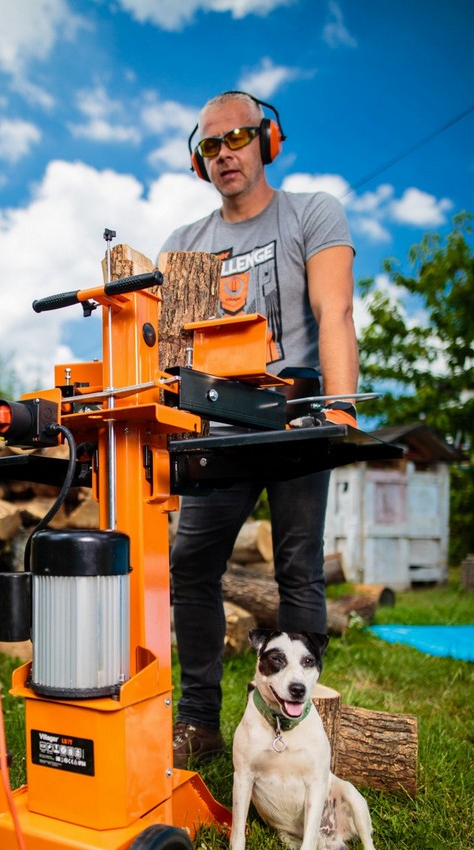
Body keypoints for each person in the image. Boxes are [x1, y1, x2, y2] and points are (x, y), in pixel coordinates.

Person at [160, 90, 359, 767]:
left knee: (298, 568)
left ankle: (293, 728)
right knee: (191, 565)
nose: (225, 154)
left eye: (238, 138)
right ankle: (199, 720)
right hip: (219, 427)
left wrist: (339, 407)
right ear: (199, 162)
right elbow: (172, 354)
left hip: (297, 417)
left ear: (267, 140)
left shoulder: (312, 212)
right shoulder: (184, 246)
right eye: (210, 146)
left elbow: (334, 312)